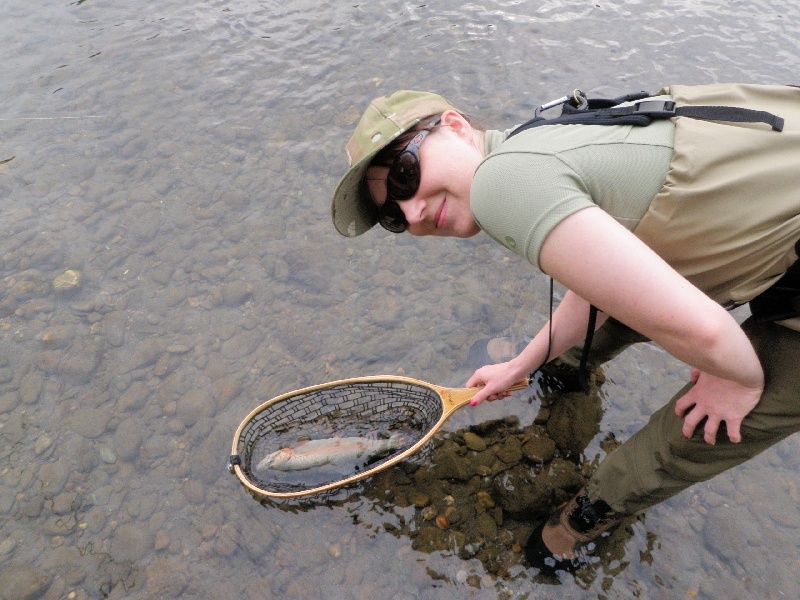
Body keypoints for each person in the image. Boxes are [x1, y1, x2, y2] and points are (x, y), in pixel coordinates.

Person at [330, 84, 800, 572]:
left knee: (694, 433)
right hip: (771, 199)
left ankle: (569, 533)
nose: (412, 212)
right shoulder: (545, 134)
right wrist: (521, 363)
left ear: (454, 125)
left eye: (404, 176)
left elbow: (708, 336)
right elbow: (600, 281)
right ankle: (562, 374)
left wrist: (737, 377)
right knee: (618, 314)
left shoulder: (500, 186)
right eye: (392, 216)